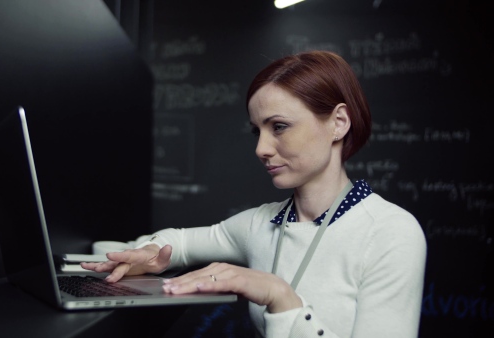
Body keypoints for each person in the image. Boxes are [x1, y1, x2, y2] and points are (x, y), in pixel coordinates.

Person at [81, 50, 427, 337]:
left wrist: (279, 295)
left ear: (338, 123)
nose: (262, 148)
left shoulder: (391, 233)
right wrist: (153, 252)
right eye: (257, 131)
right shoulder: (261, 224)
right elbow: (182, 243)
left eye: (279, 127)